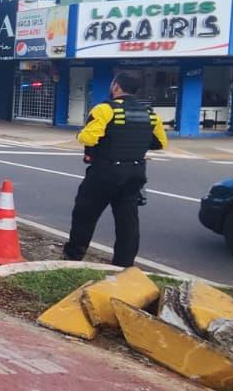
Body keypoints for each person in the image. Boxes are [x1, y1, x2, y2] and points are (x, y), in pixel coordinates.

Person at [62, 71, 167, 267]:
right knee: (128, 221)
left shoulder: (104, 109)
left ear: (116, 87)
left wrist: (81, 135)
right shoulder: (151, 114)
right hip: (135, 173)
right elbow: (161, 143)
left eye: (113, 85)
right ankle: (124, 265)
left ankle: (73, 257)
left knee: (85, 215)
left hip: (105, 172)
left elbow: (88, 138)